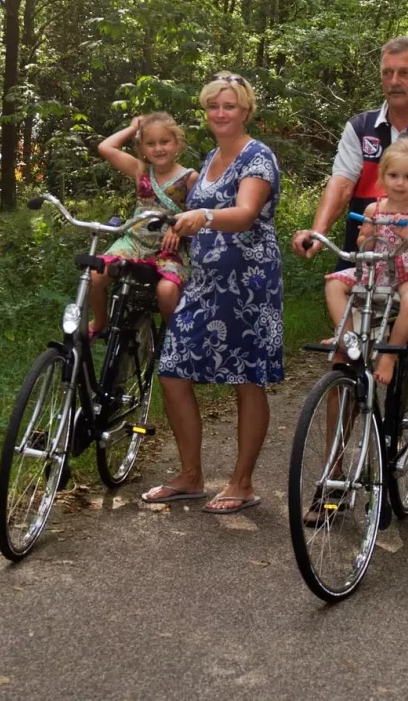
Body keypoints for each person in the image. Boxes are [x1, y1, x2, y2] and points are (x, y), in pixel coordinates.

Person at [293, 36, 408, 445]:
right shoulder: (362, 127)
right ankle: (335, 468)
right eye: (387, 73)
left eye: (405, 73)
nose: (394, 81)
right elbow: (341, 182)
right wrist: (318, 231)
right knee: (345, 357)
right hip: (369, 252)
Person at [142, 73, 283, 515]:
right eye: (213, 107)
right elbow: (195, 212)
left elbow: (243, 214)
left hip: (249, 283)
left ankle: (241, 483)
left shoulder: (257, 156)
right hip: (204, 282)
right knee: (173, 369)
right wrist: (178, 231)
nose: (220, 114)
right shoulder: (209, 157)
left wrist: (201, 215)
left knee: (247, 378)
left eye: (230, 106)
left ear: (245, 110)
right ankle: (190, 476)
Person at [321, 137, 408, 387]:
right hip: (378, 268)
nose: (400, 183)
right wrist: (365, 238)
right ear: (382, 177)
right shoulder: (373, 209)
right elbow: (362, 239)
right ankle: (348, 338)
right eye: (393, 175)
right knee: (334, 284)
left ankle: (389, 354)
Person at [87, 113, 197, 337]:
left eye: (164, 142)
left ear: (177, 143)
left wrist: (178, 229)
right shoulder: (141, 170)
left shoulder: (190, 178)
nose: (158, 149)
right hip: (135, 241)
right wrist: (132, 128)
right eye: (151, 143)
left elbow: (198, 215)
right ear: (142, 148)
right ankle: (100, 322)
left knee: (167, 292)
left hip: (170, 248)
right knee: (94, 276)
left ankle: (174, 340)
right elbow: (106, 147)